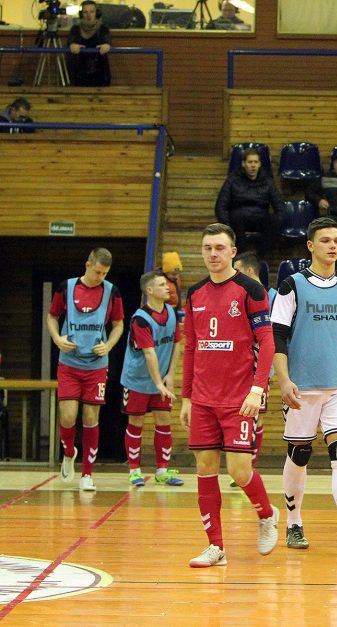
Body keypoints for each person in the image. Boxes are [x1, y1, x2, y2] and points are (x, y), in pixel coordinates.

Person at [271, 217, 337, 555]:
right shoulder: (292, 285)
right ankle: (293, 522)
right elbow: (277, 337)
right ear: (310, 246)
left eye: (336, 240)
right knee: (299, 454)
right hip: (301, 387)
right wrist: (284, 380)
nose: (332, 245)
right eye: (325, 240)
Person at [182, 223, 278, 568]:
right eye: (207, 247)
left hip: (239, 398)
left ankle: (267, 514)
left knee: (239, 471)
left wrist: (258, 388)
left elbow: (267, 342)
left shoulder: (250, 290)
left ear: (233, 252)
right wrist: (187, 397)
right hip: (204, 400)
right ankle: (215, 546)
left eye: (219, 248)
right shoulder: (194, 294)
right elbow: (191, 347)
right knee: (205, 469)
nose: (213, 254)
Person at [47, 247, 124, 492]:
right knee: (68, 417)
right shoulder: (66, 287)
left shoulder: (112, 292)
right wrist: (57, 339)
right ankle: (69, 452)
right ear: (87, 265)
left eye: (105, 273)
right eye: (98, 272)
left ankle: (87, 474)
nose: (100, 277)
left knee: (91, 418)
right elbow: (51, 317)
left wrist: (109, 345)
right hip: (69, 363)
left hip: (96, 366)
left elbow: (118, 325)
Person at [121, 271, 184, 488]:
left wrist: (170, 374)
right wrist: (158, 383)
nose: (168, 288)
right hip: (137, 379)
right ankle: (134, 470)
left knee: (164, 421)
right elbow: (149, 353)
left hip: (160, 378)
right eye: (161, 285)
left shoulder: (171, 311)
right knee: (136, 422)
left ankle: (162, 471)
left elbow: (177, 343)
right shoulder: (140, 319)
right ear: (149, 291)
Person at [232, 251, 275, 480]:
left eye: (237, 271)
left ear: (249, 271)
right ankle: (240, 466)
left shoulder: (274, 297)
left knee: (257, 417)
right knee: (240, 417)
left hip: (261, 369)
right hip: (236, 368)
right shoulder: (237, 296)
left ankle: (248, 467)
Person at [214, 147, 282, 257]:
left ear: (260, 164)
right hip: (238, 219)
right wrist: (227, 226)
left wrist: (279, 219)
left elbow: (279, 206)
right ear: (243, 163)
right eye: (250, 162)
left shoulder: (268, 181)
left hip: (260, 218)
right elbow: (221, 206)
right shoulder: (233, 180)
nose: (253, 165)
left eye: (255, 162)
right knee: (236, 217)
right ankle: (242, 255)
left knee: (274, 221)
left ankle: (259, 257)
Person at [67, 1, 112, 87]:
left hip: (100, 73)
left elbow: (107, 40)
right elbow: (71, 41)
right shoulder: (75, 29)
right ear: (81, 14)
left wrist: (107, 45)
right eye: (85, 12)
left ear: (97, 13)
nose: (89, 15)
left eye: (92, 12)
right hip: (80, 73)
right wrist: (72, 45)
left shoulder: (103, 28)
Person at [162, 251, 184, 318]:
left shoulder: (177, 279)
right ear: (166, 272)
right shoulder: (161, 281)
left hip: (175, 310)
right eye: (173, 274)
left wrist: (180, 308)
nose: (176, 276)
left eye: (178, 273)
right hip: (165, 312)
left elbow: (178, 294)